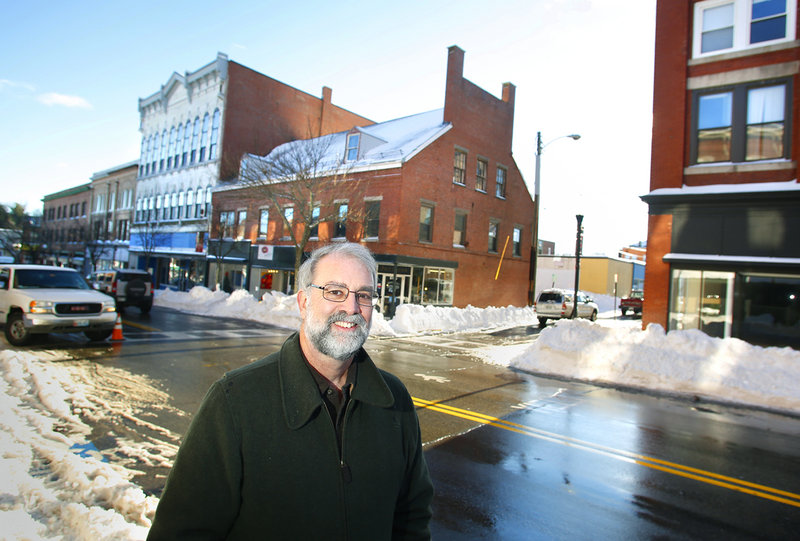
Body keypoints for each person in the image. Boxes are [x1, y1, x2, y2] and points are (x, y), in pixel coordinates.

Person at [147, 242, 433, 540]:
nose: (351, 308)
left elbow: (412, 515)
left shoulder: (394, 399)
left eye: (363, 295)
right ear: (304, 302)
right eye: (335, 291)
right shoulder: (234, 401)